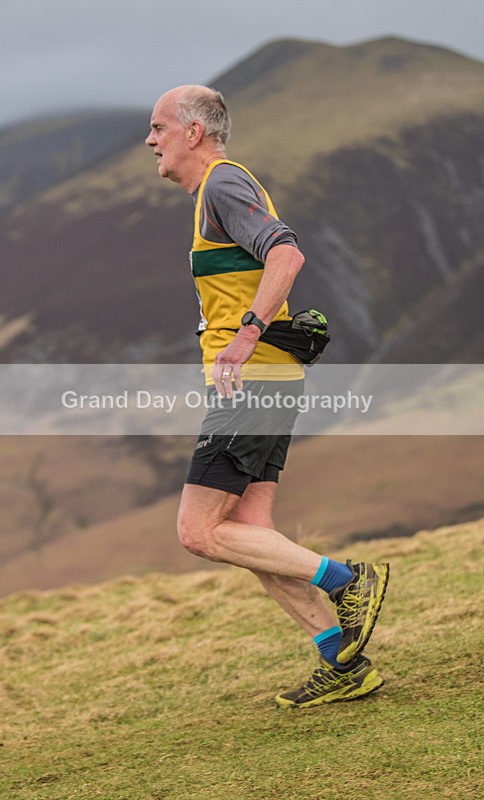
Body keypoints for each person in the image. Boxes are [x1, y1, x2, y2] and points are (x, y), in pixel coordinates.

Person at [145, 85, 389, 708]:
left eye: (159, 128)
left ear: (194, 132)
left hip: (254, 382)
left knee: (199, 533)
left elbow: (286, 252)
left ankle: (348, 581)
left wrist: (245, 335)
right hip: (266, 379)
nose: (150, 141)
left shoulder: (224, 184)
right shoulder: (213, 195)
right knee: (249, 530)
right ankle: (341, 661)